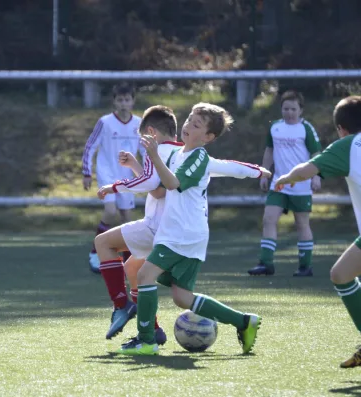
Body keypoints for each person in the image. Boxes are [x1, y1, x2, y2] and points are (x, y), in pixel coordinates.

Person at [95, 105, 270, 343]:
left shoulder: (194, 155)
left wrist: (145, 163)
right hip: (180, 233)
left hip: (180, 234)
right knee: (181, 297)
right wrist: (257, 172)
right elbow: (226, 167)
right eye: (189, 119)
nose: (188, 125)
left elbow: (173, 183)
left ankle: (146, 338)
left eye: (197, 124)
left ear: (209, 137)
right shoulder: (181, 154)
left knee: (143, 274)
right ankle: (243, 321)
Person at [274, 95, 361, 368]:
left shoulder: (350, 145)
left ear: (341, 129)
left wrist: (287, 177)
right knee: (341, 274)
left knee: (342, 275)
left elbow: (307, 169)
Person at [249, 90, 322, 277]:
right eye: (286, 108)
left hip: (301, 185)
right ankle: (266, 264)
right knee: (268, 219)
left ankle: (305, 266)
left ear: (301, 110)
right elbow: (269, 151)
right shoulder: (275, 127)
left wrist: (316, 176)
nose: (289, 112)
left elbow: (317, 155)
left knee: (301, 224)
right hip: (279, 184)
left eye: (293, 109)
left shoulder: (306, 128)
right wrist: (264, 174)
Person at [81, 82, 145, 273]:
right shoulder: (105, 122)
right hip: (106, 173)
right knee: (110, 211)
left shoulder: (139, 123)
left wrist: (149, 173)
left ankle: (128, 261)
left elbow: (145, 150)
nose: (124, 103)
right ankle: (95, 253)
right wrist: (86, 173)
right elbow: (90, 147)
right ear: (114, 102)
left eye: (127, 99)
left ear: (133, 101)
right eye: (120, 100)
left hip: (128, 175)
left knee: (127, 217)